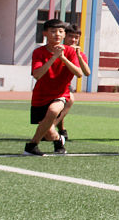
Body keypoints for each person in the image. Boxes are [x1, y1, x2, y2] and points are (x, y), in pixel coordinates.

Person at [25, 19, 83, 156]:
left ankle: (32, 144)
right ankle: (58, 140)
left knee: (53, 110)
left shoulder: (69, 51)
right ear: (45, 33)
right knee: (49, 133)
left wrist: (63, 58)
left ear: (64, 35)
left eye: (60, 31)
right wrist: (53, 58)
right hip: (40, 95)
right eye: (53, 31)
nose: (57, 34)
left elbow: (79, 73)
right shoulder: (38, 52)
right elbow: (37, 75)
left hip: (60, 94)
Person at [55, 24, 92, 141]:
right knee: (56, 110)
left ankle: (53, 128)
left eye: (76, 37)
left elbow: (86, 72)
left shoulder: (79, 54)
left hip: (65, 86)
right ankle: (59, 129)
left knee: (68, 100)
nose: (73, 40)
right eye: (71, 36)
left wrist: (78, 56)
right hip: (50, 85)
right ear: (65, 36)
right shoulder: (57, 50)